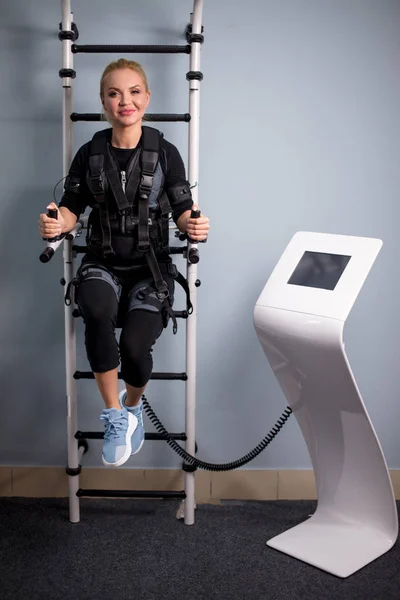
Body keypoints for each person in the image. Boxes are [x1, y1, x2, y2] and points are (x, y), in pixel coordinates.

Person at [38, 58, 210, 468]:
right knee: (96, 310)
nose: (124, 100)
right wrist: (53, 224)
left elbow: (184, 209)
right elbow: (69, 211)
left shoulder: (165, 152)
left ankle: (133, 410)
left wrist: (195, 225)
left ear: (146, 98)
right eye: (114, 93)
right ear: (103, 101)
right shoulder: (89, 154)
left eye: (134, 92)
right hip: (103, 263)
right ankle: (115, 414)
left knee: (134, 347)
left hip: (151, 271)